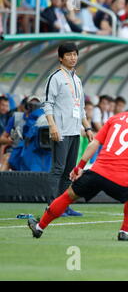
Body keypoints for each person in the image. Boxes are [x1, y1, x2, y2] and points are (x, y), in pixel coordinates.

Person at [27, 88, 128, 241]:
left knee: (68, 196)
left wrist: (79, 167)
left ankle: (40, 227)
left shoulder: (115, 118)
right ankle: (124, 232)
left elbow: (94, 144)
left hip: (96, 172)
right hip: (119, 179)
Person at [42, 42, 95, 217]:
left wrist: (87, 127)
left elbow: (79, 108)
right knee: (58, 169)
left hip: (74, 131)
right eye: (69, 55)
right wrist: (52, 126)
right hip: (60, 131)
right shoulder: (55, 77)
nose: (73, 58)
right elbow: (47, 103)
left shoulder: (77, 80)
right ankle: (52, 206)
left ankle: (64, 206)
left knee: (69, 172)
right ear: (60, 58)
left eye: (75, 54)